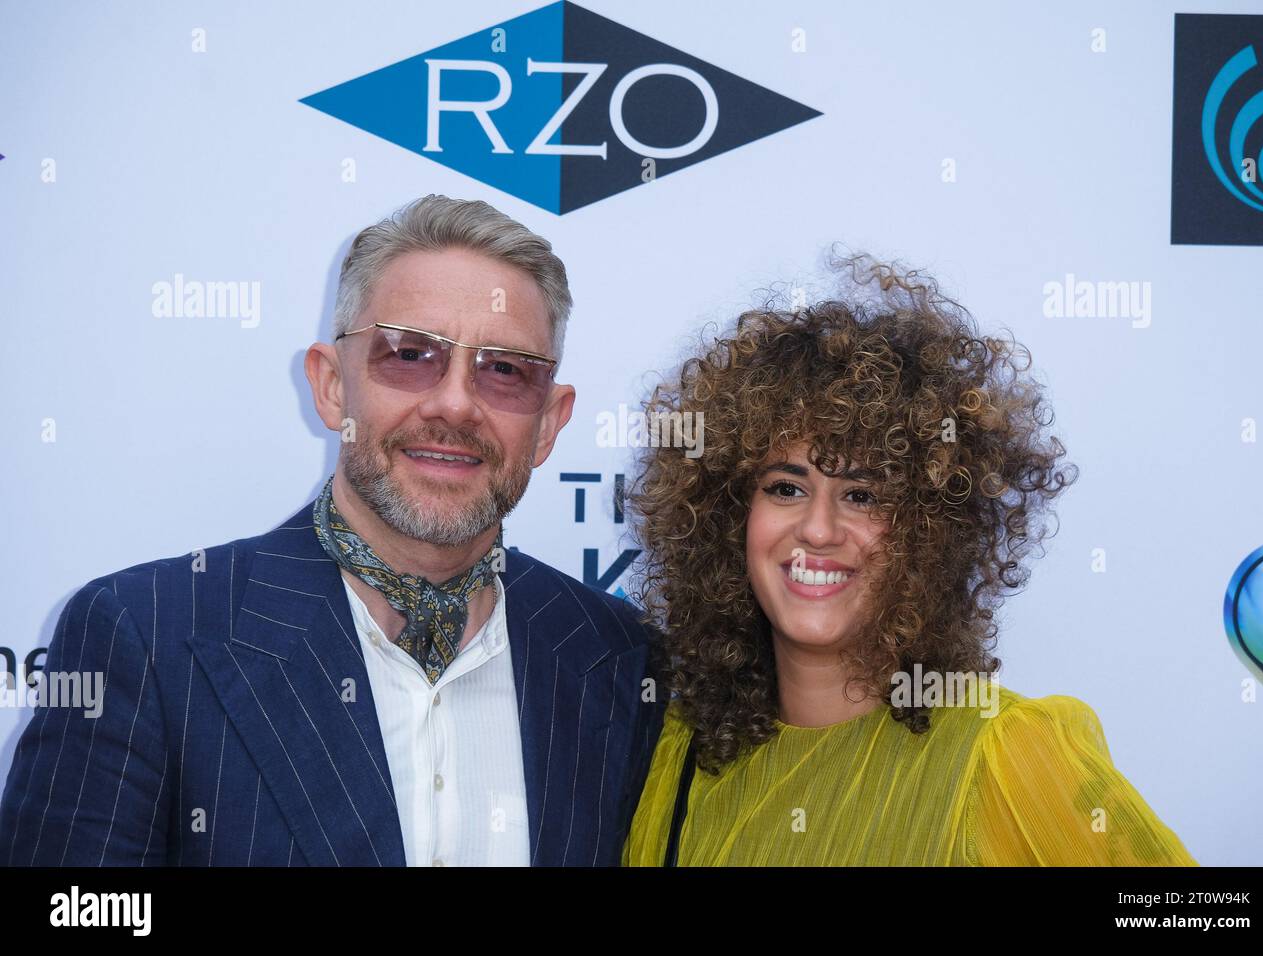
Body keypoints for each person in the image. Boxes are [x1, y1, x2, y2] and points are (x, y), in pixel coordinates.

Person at [0, 194, 664, 867]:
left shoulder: (622, 659)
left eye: (505, 371)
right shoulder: (147, 637)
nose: (456, 404)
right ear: (330, 386)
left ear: (549, 421)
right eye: (409, 355)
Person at [621, 252, 1196, 866]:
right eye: (785, 488)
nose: (818, 529)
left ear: (931, 531)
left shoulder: (1007, 756)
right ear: (729, 514)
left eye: (864, 496)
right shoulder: (672, 755)